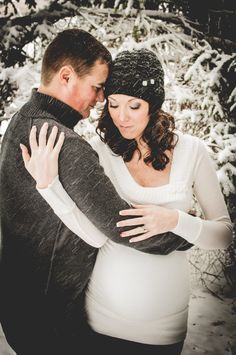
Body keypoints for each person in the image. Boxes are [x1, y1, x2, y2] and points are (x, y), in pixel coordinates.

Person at [20, 49, 233, 354]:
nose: (121, 116)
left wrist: (173, 220)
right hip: (102, 319)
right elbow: (94, 235)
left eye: (134, 106)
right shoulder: (99, 152)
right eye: (114, 104)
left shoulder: (192, 152)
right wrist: (48, 185)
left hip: (164, 328)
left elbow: (223, 235)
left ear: (153, 105)